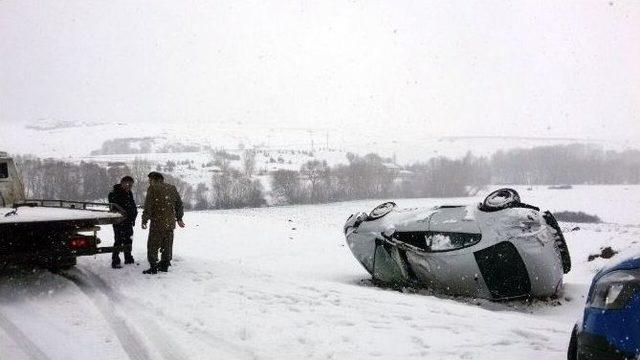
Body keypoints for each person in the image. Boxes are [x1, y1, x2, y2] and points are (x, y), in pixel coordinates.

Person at [141, 171, 184, 274]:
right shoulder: (172, 188)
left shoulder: (153, 188)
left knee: (153, 245)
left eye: (149, 180)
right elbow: (179, 204)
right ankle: (165, 265)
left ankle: (153, 267)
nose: (149, 182)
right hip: (170, 222)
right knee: (167, 244)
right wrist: (179, 218)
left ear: (153, 179)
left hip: (157, 222)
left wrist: (144, 219)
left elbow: (148, 205)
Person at [108, 176, 138, 269]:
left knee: (128, 239)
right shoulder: (114, 193)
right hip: (119, 221)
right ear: (122, 183)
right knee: (118, 240)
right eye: (127, 184)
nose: (129, 186)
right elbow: (116, 207)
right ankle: (115, 260)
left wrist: (133, 216)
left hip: (128, 221)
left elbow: (132, 205)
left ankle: (128, 257)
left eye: (131, 185)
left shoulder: (129, 193)